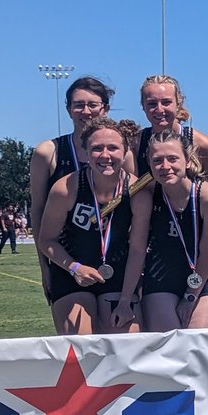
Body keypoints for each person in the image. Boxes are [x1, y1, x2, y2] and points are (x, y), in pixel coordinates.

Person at [38, 117, 151, 335]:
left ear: (125, 151)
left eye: (113, 148)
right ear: (86, 152)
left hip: (118, 274)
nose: (105, 155)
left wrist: (126, 299)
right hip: (71, 272)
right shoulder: (66, 188)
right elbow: (46, 239)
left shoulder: (137, 191)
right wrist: (74, 267)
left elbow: (137, 250)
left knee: (127, 345)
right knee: (82, 344)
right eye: (97, 148)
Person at [29, 77, 115, 307]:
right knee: (81, 340)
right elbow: (37, 211)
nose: (85, 111)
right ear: (68, 110)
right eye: (78, 105)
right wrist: (45, 267)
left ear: (105, 108)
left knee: (120, 340)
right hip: (66, 261)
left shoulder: (120, 153)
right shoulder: (48, 152)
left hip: (115, 260)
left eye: (93, 105)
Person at [140, 130, 208, 330]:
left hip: (204, 275)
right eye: (157, 160)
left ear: (188, 160)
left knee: (198, 343)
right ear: (150, 163)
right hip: (161, 275)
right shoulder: (146, 194)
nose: (165, 167)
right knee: (169, 345)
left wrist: (191, 296)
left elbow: (207, 254)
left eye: (172, 159)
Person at [135, 74, 208, 198]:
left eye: (166, 102)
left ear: (178, 103)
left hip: (193, 215)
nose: (159, 109)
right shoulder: (136, 143)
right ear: (143, 106)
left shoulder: (202, 144)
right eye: (152, 104)